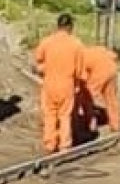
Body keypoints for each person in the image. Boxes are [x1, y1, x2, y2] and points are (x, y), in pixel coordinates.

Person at [34, 14, 85, 154]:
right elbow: (79, 71)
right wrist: (78, 85)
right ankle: (65, 145)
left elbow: (38, 58)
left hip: (49, 83)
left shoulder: (47, 41)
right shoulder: (76, 44)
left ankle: (50, 144)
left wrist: (44, 68)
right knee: (65, 115)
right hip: (66, 83)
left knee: (49, 114)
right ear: (70, 26)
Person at [81, 44, 120, 134]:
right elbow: (113, 56)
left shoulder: (80, 59)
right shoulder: (94, 49)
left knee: (86, 97)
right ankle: (116, 125)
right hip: (112, 68)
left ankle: (91, 124)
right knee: (111, 98)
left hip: (100, 72)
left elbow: (82, 78)